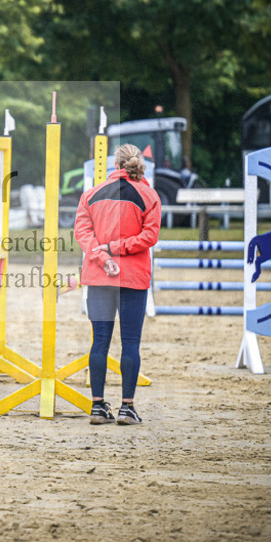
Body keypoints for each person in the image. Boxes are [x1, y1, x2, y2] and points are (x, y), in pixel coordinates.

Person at [74, 143, 161, 425]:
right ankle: (127, 407)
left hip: (99, 277)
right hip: (132, 277)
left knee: (100, 340)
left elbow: (82, 233)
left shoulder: (91, 194)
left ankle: (98, 406)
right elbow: (149, 237)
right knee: (130, 342)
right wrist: (117, 248)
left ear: (115, 164)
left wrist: (103, 255)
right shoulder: (149, 196)